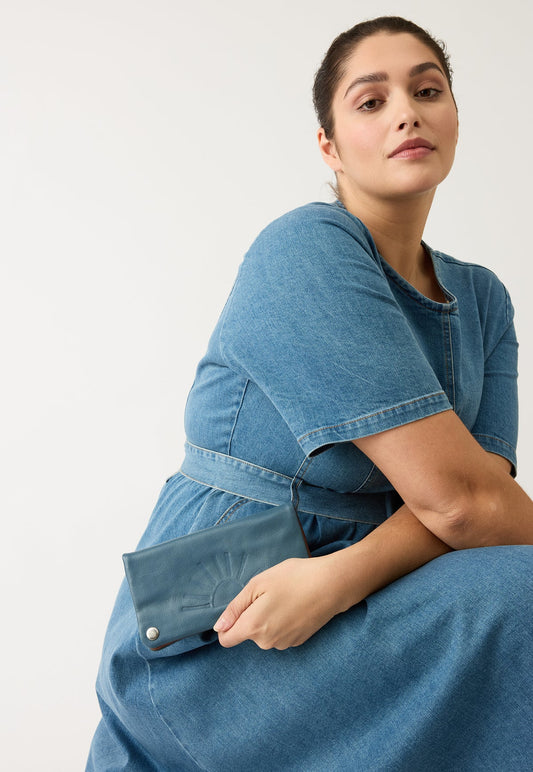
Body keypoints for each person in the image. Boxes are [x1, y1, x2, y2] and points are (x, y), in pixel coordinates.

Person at [87, 16, 533, 771]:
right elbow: (465, 506)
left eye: (428, 91)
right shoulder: (306, 247)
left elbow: (482, 505)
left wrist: (341, 576)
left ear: (455, 117)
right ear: (329, 146)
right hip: (225, 624)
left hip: (362, 591)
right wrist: (450, 511)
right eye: (371, 101)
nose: (406, 113)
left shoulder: (481, 298)